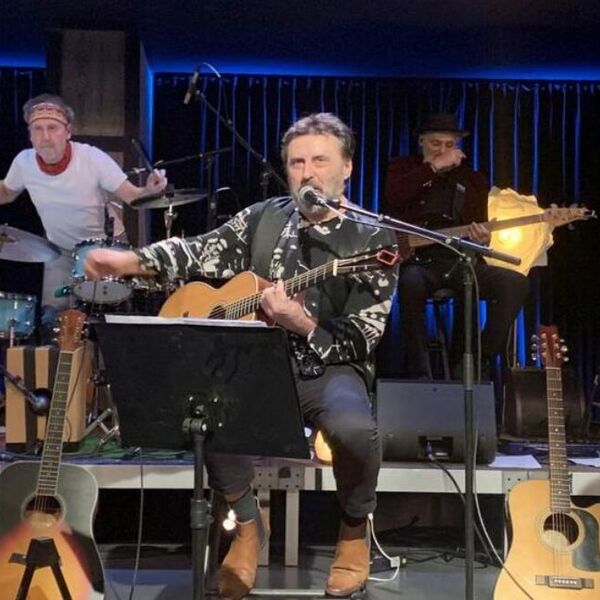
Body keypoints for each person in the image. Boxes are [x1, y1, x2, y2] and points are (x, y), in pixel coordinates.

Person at [84, 112, 399, 599]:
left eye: (320, 160)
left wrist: (300, 322)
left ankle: (354, 531)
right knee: (205, 412)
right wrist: (133, 261)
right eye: (297, 163)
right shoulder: (265, 216)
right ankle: (248, 527)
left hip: (327, 365)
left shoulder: (372, 238)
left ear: (347, 168)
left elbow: (364, 336)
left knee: (356, 430)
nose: (308, 173)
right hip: (255, 361)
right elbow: (199, 251)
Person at [0, 93, 168, 332]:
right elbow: (7, 192)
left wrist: (150, 190)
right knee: (53, 321)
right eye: (38, 129)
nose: (45, 137)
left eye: (52, 128)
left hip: (104, 247)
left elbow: (133, 197)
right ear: (30, 135)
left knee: (106, 319)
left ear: (68, 131)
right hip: (58, 250)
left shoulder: (92, 158)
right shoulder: (23, 162)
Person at [384, 113, 530, 379]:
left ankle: (479, 357)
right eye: (435, 144)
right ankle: (419, 372)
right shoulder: (402, 168)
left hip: (460, 259)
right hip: (419, 260)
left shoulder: (472, 179)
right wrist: (432, 168)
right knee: (410, 282)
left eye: (449, 145)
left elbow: (480, 225)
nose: (442, 151)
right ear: (421, 141)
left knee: (515, 283)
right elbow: (394, 197)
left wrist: (482, 237)